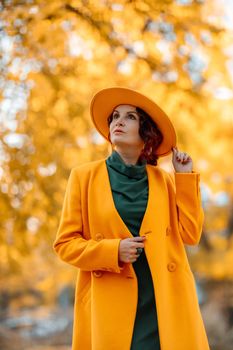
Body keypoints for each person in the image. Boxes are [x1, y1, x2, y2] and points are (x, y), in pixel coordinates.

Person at [53, 87, 210, 350]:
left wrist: (184, 177)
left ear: (146, 133)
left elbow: (190, 234)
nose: (119, 122)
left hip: (164, 303)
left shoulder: (164, 181)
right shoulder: (83, 177)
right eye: (115, 116)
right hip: (111, 303)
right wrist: (113, 250)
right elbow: (64, 245)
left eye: (130, 117)